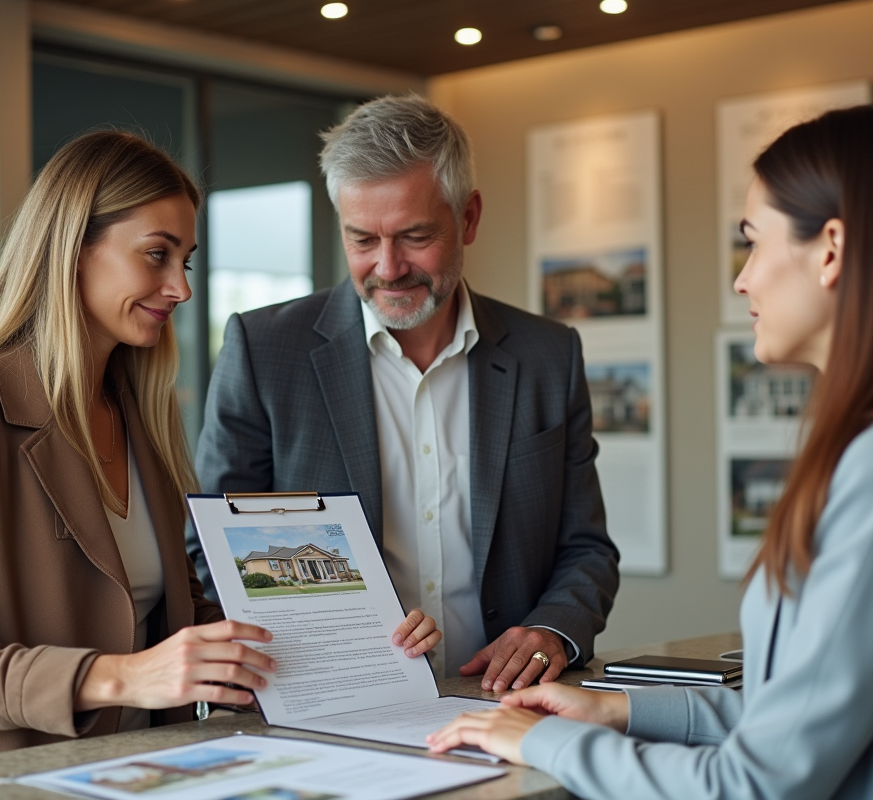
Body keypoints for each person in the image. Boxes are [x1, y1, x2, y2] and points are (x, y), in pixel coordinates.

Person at [428, 103, 873, 799]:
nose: (742, 279)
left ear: (831, 249)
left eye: (754, 242)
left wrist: (547, 742)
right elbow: (800, 717)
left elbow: (757, 782)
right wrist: (619, 709)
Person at [0, 131, 285, 771]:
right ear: (72, 250)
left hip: (131, 771)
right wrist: (120, 677)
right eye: (156, 255)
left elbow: (176, 616)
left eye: (187, 261)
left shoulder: (142, 414)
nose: (181, 288)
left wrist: (355, 640)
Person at [191, 94, 620, 691]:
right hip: (335, 704)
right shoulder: (264, 351)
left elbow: (586, 547)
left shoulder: (549, 354)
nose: (388, 268)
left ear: (468, 217)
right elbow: (216, 546)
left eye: (414, 236)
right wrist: (338, 638)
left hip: (506, 707)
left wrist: (552, 629)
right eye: (362, 240)